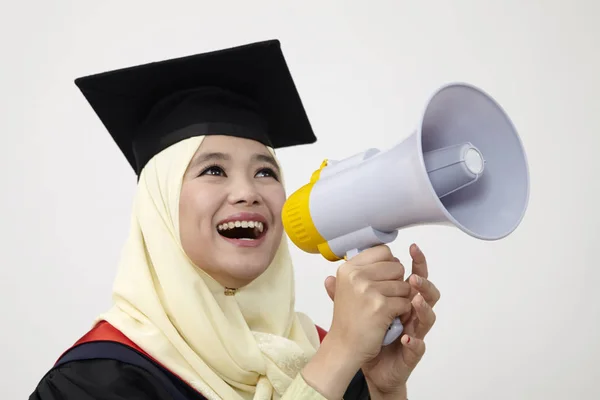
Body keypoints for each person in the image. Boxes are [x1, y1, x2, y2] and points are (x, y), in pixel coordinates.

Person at [29, 39, 440, 400]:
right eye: (213, 170)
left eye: (266, 172)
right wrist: (338, 357)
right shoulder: (94, 380)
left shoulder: (314, 349)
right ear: (160, 207)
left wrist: (384, 389)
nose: (248, 191)